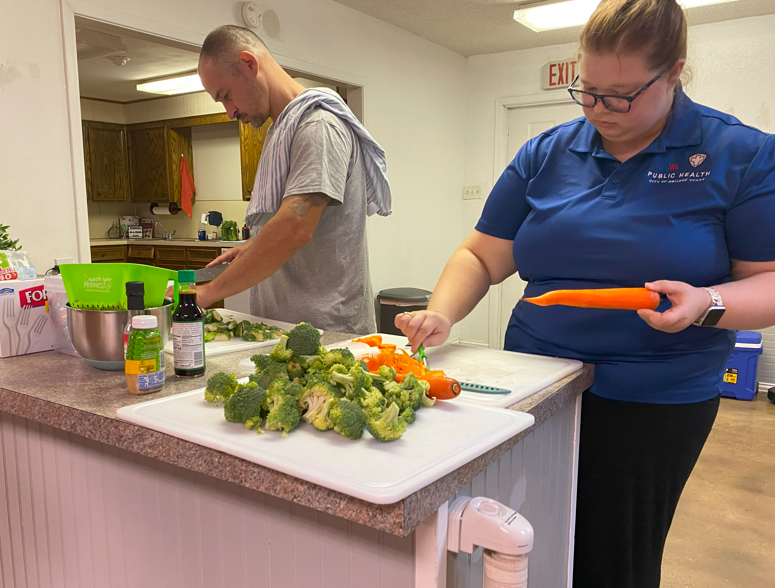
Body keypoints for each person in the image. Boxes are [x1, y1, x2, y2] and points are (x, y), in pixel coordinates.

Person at [396, 0, 775, 586]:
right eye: (588, 90)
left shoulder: (739, 154)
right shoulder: (547, 152)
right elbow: (481, 254)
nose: (601, 109)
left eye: (621, 96)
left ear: (673, 72)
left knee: (610, 555)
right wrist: (442, 313)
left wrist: (708, 304)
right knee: (517, 538)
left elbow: (768, 281)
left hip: (651, 398)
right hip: (533, 385)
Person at [193, 25, 391, 335]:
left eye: (226, 95)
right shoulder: (282, 130)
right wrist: (255, 245)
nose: (229, 111)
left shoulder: (318, 126)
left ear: (249, 64)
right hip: (293, 328)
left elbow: (295, 226)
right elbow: (295, 221)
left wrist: (206, 294)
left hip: (328, 335)